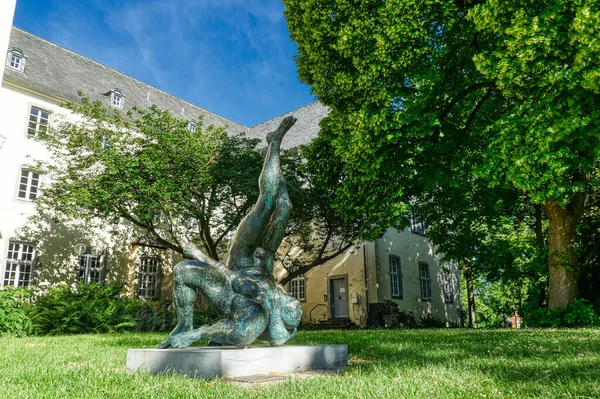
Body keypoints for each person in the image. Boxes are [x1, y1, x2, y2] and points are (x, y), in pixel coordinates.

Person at [158, 116, 301, 349]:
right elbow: (280, 331)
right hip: (261, 260)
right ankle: (273, 147)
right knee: (283, 207)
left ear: (280, 312)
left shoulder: (262, 314)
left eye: (291, 307)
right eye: (294, 302)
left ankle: (186, 328)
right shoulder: (277, 301)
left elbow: (233, 282)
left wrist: (198, 255)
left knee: (265, 205)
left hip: (238, 272)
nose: (294, 303)